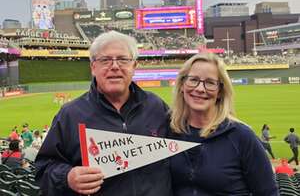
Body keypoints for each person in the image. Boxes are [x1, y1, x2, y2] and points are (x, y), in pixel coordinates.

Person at [35, 31, 172, 196]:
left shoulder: (156, 106)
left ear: (134, 66)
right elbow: (43, 169)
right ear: (93, 67)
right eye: (105, 60)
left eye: (123, 59)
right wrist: (67, 177)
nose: (114, 66)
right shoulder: (70, 114)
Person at [169, 53, 279, 195]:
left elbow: (268, 192)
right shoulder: (170, 130)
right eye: (193, 80)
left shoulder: (242, 136)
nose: (200, 89)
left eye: (210, 82)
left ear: (220, 91)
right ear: (182, 85)